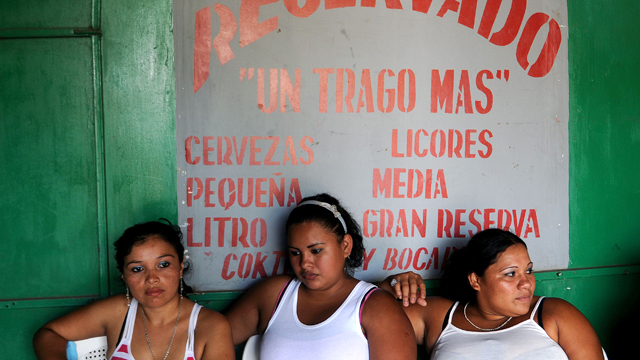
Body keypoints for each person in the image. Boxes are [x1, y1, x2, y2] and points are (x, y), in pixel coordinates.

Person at [225, 193, 416, 360]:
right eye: (295, 253)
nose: (305, 263)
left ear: (345, 246)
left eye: (316, 250)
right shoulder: (274, 295)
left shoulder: (377, 307)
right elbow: (212, 335)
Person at [380, 228, 604, 360]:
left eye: (528, 270)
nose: (526, 283)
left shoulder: (553, 315)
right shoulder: (439, 316)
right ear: (475, 280)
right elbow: (371, 317)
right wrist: (392, 285)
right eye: (510, 274)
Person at [33, 220, 234, 360]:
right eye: (137, 269)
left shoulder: (210, 326)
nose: (152, 278)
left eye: (163, 265)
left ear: (180, 267)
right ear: (124, 276)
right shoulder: (118, 312)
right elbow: (48, 334)